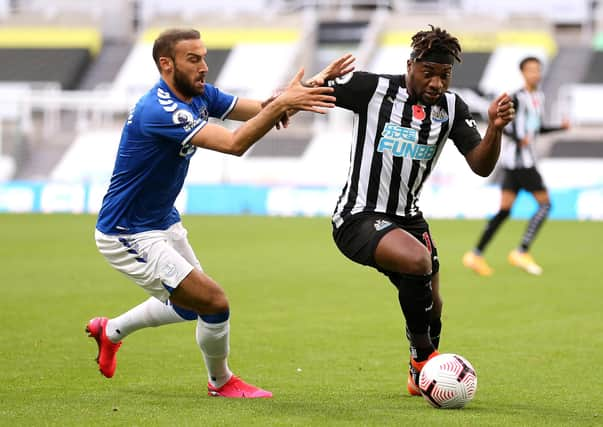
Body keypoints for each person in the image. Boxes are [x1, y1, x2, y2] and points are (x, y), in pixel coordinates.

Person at [86, 28, 343, 399]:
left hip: (161, 221)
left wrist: (305, 90)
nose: (204, 66)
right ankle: (220, 382)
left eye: (204, 57)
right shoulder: (159, 109)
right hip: (126, 231)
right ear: (166, 64)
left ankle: (109, 332)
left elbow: (258, 109)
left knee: (192, 308)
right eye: (194, 59)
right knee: (213, 302)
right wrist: (283, 105)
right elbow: (235, 143)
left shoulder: (199, 94)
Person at [305, 25, 515, 396]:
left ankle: (421, 366)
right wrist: (316, 81)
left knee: (433, 305)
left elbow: (481, 165)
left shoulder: (452, 108)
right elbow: (304, 95)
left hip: (408, 217)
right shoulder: (374, 89)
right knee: (419, 261)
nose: (437, 83)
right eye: (428, 73)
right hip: (358, 216)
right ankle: (423, 361)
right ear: (410, 65)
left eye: (445, 75)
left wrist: (495, 128)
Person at [462, 56, 569, 276]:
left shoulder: (537, 96)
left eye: (538, 70)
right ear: (523, 73)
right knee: (545, 205)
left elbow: (535, 129)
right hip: (521, 162)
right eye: (531, 70)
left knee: (504, 211)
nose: (535, 74)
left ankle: (475, 254)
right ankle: (521, 251)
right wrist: (519, 137)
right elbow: (500, 123)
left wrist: (559, 127)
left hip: (514, 163)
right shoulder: (517, 98)